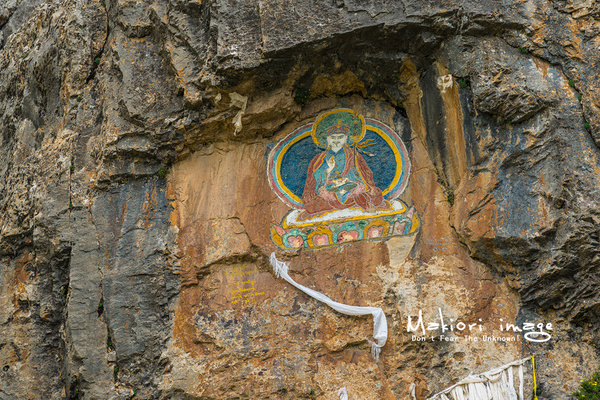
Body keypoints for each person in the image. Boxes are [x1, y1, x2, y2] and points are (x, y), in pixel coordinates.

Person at [301, 118, 390, 218]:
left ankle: (360, 201)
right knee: (313, 205)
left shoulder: (352, 154)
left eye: (340, 137)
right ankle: (359, 202)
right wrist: (328, 170)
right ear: (327, 139)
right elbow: (314, 178)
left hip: (349, 185)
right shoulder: (319, 158)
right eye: (333, 137)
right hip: (329, 187)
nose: (336, 140)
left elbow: (364, 173)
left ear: (346, 138)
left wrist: (348, 179)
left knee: (370, 195)